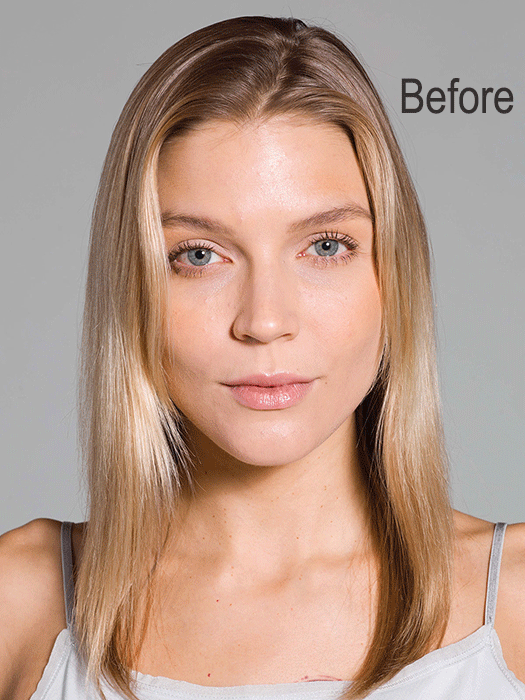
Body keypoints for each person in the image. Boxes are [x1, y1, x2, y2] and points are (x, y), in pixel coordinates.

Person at [0, 15, 524, 700]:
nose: (265, 321)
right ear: (132, 288)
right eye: (199, 255)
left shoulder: (513, 603)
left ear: (395, 275)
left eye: (325, 246)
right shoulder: (21, 602)